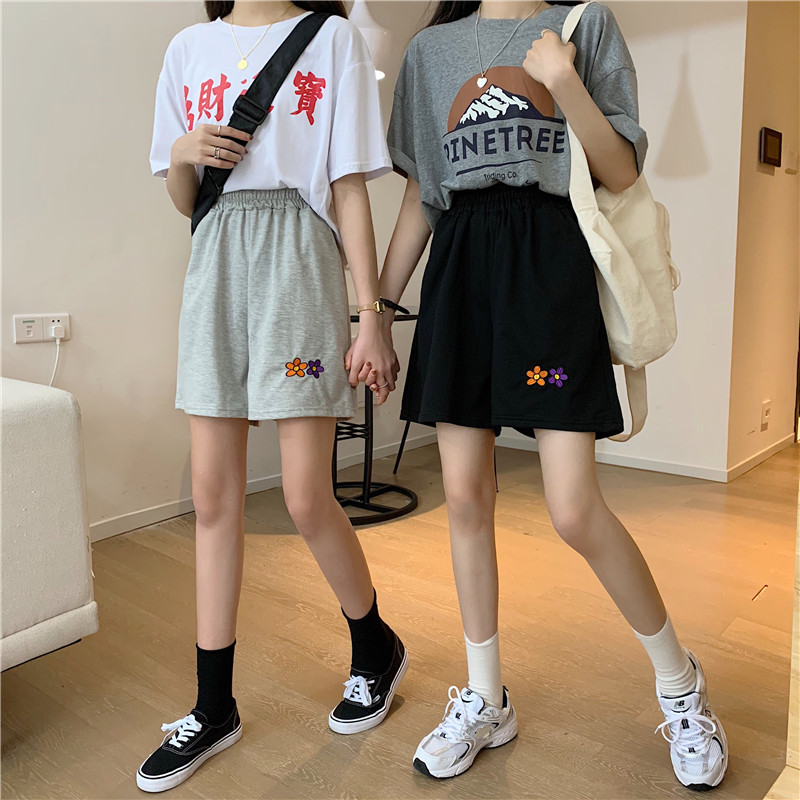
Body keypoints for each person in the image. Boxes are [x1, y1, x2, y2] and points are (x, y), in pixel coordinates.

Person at [377, 0, 728, 789]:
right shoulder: (431, 51)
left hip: (547, 270)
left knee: (573, 507)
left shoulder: (583, 25)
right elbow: (423, 193)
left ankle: (680, 684)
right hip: (462, 276)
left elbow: (621, 171)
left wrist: (565, 82)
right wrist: (376, 312)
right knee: (465, 497)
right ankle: (485, 697)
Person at [140, 1, 406, 791]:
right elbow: (187, 198)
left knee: (304, 495)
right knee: (213, 496)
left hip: (298, 252)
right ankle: (213, 706)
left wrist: (370, 315)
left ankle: (375, 646)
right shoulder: (189, 47)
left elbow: (349, 187)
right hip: (216, 258)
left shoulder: (332, 39)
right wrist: (183, 151)